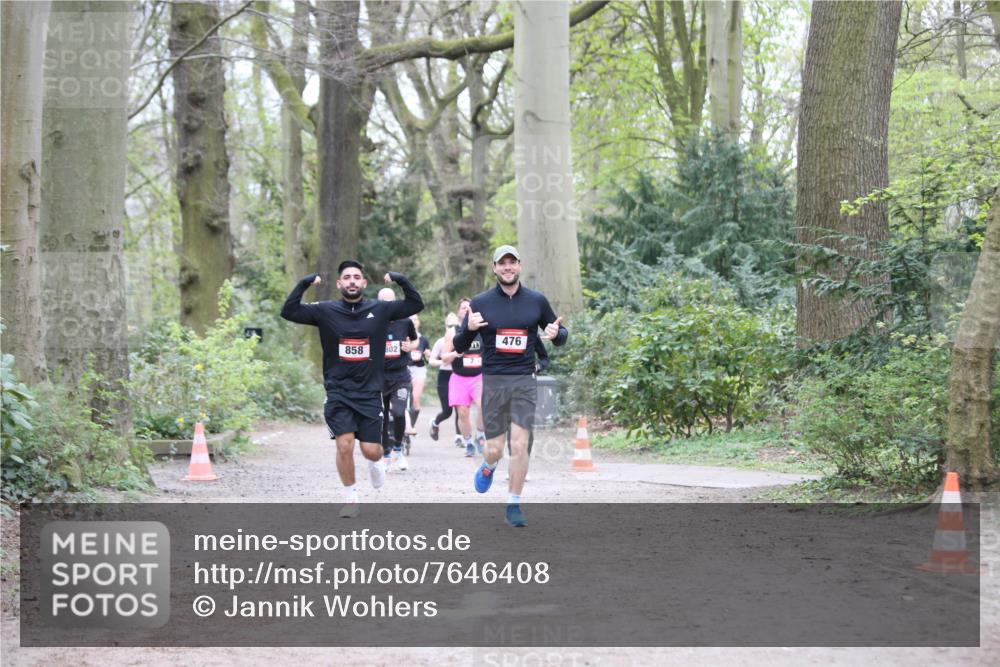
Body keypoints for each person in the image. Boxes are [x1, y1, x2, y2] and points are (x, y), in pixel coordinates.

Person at [281, 261, 422, 518]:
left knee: (371, 449)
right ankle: (351, 497)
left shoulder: (379, 309)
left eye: (357, 277)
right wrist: (304, 284)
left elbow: (415, 304)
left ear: (364, 283)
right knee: (344, 445)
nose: (352, 281)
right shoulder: (326, 310)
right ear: (339, 284)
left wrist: (401, 279)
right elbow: (289, 311)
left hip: (369, 392)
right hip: (338, 391)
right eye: (347, 277)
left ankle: (377, 461)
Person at [453, 245, 567, 527]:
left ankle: (514, 504)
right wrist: (468, 329)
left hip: (524, 381)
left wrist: (557, 334)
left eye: (512, 262)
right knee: (495, 447)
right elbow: (459, 345)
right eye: (501, 263)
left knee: (520, 444)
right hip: (493, 381)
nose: (507, 267)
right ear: (494, 268)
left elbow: (559, 333)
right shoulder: (480, 302)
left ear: (519, 266)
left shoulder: (536, 301)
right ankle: (489, 465)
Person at [378, 288, 417, 472]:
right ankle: (385, 455)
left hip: (400, 375)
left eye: (390, 301)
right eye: (383, 301)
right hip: (378, 376)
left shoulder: (405, 321)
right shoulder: (372, 321)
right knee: (381, 416)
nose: (387, 305)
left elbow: (415, 341)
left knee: (399, 413)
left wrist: (410, 346)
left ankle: (398, 449)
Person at [443, 298, 486, 458]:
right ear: (459, 312)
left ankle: (480, 436)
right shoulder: (453, 332)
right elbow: (445, 358)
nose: (466, 310)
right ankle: (468, 441)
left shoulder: (483, 329)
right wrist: (456, 353)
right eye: (463, 308)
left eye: (470, 308)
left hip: (479, 376)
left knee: (484, 405)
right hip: (459, 377)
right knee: (462, 413)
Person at [427, 313, 462, 446]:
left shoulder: (463, 339)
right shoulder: (441, 342)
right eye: (449, 325)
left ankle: (459, 436)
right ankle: (435, 423)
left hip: (459, 376)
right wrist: (444, 361)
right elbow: (431, 361)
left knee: (461, 407)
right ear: (445, 326)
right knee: (447, 411)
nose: (452, 328)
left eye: (454, 325)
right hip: (445, 377)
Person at [406, 314, 430, 440]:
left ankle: (410, 427)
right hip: (404, 369)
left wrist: (428, 355)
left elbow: (429, 357)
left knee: (415, 399)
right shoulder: (403, 337)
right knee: (404, 399)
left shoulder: (423, 339)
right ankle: (403, 426)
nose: (413, 321)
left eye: (415, 319)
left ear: (419, 322)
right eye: (411, 319)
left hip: (418, 369)